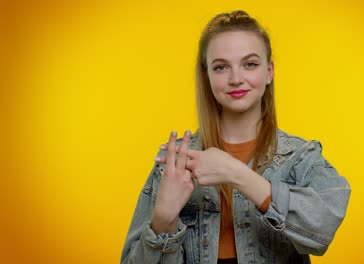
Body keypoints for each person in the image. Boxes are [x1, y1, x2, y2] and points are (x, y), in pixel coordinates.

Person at [121, 10, 351, 264]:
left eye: (250, 64)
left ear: (269, 71)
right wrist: (163, 219)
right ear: (207, 75)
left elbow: (323, 229)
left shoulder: (300, 157)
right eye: (221, 67)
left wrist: (235, 173)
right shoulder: (175, 163)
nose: (236, 78)